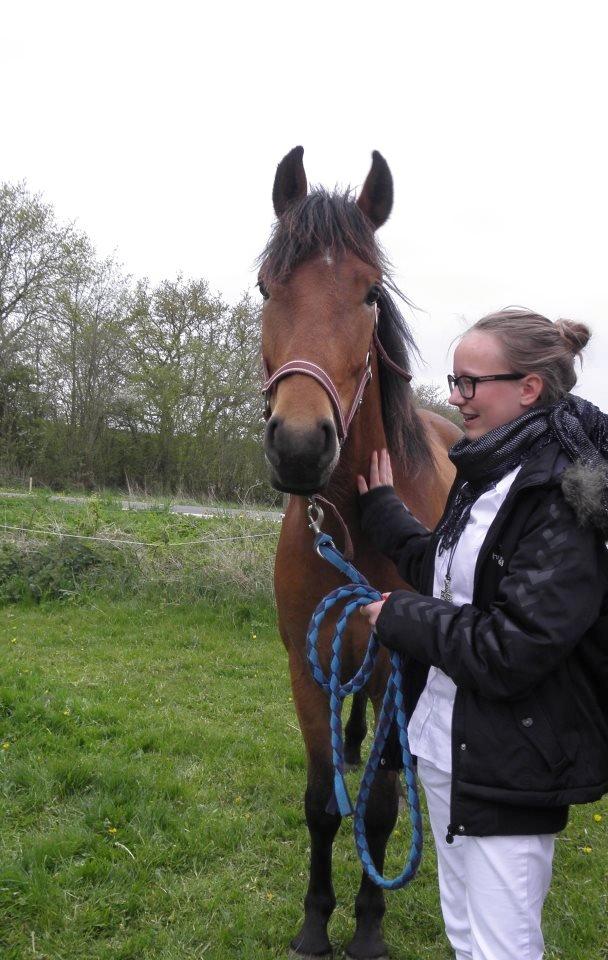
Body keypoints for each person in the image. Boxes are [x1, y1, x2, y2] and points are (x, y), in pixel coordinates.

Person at [357, 307, 608, 960]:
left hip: (514, 764)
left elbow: (512, 647)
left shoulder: (562, 497)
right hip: (451, 746)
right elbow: (450, 576)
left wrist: (401, 618)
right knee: (466, 934)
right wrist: (384, 513)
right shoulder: (489, 474)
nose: (456, 397)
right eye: (454, 380)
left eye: (472, 383)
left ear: (527, 388)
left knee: (502, 948)